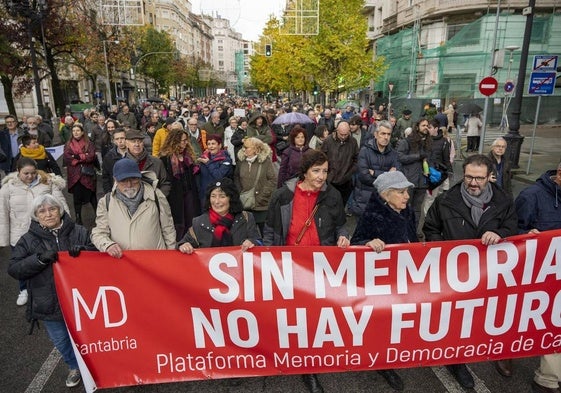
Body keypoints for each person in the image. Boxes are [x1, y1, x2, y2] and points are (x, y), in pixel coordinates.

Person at [423, 154, 518, 389]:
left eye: (479, 178)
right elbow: (431, 228)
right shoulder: (446, 200)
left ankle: (496, 350)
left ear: (489, 177)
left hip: (491, 272)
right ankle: (457, 361)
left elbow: (513, 226)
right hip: (455, 273)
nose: (473, 183)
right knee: (457, 317)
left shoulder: (504, 200)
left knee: (490, 314)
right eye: (468, 177)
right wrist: (444, 251)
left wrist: (501, 233)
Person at [263, 149, 350, 393]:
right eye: (316, 171)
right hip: (291, 266)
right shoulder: (282, 196)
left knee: (317, 314)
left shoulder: (332, 195)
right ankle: (305, 366)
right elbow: (270, 231)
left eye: (325, 171)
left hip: (322, 266)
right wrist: (270, 261)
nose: (322, 176)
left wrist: (343, 236)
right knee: (297, 316)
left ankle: (312, 357)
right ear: (304, 172)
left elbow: (342, 225)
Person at [8, 194, 93, 388]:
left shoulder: (79, 231)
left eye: (52, 209)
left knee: (88, 336)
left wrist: (85, 251)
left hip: (81, 300)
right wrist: (38, 259)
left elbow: (97, 254)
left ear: (60, 210)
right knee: (61, 340)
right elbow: (14, 268)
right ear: (36, 215)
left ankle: (93, 365)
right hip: (48, 301)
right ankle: (74, 366)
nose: (48, 214)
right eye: (42, 211)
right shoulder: (28, 240)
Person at [350, 170, 415, 391]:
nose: (406, 196)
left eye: (406, 191)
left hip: (405, 276)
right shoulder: (372, 215)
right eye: (401, 192)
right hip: (382, 281)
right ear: (386, 195)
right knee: (384, 322)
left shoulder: (408, 211)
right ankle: (383, 362)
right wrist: (369, 242)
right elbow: (356, 242)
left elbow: (413, 238)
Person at [515, 162, 561, 393]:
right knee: (523, 319)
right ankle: (504, 353)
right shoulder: (531, 196)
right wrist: (526, 235)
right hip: (535, 275)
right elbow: (512, 230)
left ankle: (548, 379)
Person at [0, 157, 69, 306]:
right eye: (26, 173)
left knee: (44, 262)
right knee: (23, 264)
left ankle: (53, 289)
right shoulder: (8, 188)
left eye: (33, 172)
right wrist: (3, 238)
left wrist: (67, 225)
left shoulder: (47, 183)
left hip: (45, 233)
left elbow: (61, 203)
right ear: (18, 171)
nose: (30, 176)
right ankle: (23, 289)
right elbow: (3, 213)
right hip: (19, 234)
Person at [91, 158, 176, 257]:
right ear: (115, 179)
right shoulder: (106, 202)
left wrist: (171, 257)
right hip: (123, 264)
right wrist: (108, 245)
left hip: (155, 262)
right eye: (123, 180)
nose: (129, 185)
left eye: (133, 179)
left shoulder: (156, 196)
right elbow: (99, 233)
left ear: (139, 177)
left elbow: (168, 229)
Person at [177, 177, 260, 253]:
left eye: (222, 196)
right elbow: (182, 243)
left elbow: (258, 241)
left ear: (231, 198)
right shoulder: (199, 222)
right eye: (213, 196)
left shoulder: (246, 218)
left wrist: (252, 242)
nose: (217, 201)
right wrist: (183, 245)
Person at [349, 120, 399, 216]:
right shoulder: (365, 151)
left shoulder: (393, 153)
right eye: (383, 133)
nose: (386, 137)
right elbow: (364, 176)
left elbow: (397, 176)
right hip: (364, 200)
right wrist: (388, 175)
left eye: (389, 134)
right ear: (376, 134)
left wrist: (375, 173)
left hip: (384, 201)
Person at [159, 126, 201, 240]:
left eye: (186, 140)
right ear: (175, 141)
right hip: (175, 196)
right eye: (183, 140)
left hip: (190, 193)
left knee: (191, 220)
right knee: (178, 222)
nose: (185, 143)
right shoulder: (165, 159)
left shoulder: (189, 156)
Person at [235, 137, 277, 235]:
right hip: (245, 203)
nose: (244, 149)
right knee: (247, 232)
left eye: (247, 147)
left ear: (256, 149)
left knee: (264, 232)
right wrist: (240, 191)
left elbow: (272, 180)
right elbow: (236, 177)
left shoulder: (265, 162)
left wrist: (262, 196)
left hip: (261, 205)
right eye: (243, 147)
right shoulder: (241, 161)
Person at [396, 118, 432, 232]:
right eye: (423, 125)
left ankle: (413, 232)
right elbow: (400, 157)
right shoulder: (407, 141)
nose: (426, 127)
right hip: (409, 181)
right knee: (404, 207)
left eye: (427, 125)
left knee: (417, 210)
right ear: (417, 127)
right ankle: (402, 231)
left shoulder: (428, 142)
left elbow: (430, 159)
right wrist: (417, 156)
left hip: (422, 182)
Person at [321, 121, 359, 205]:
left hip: (345, 181)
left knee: (341, 205)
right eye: (341, 134)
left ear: (349, 131)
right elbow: (322, 158)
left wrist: (349, 173)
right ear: (337, 131)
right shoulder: (328, 140)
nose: (343, 137)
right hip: (330, 180)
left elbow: (356, 159)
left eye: (346, 134)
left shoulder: (353, 142)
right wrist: (327, 174)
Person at [124, 128, 170, 197]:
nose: (137, 144)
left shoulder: (157, 162)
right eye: (133, 141)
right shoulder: (121, 164)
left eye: (139, 141)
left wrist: (158, 198)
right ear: (126, 144)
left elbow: (165, 183)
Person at [198, 134, 233, 205]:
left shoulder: (226, 160)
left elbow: (219, 175)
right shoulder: (204, 158)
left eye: (213, 144)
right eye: (209, 144)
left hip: (219, 195)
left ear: (219, 145)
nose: (211, 146)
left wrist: (208, 163)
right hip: (205, 194)